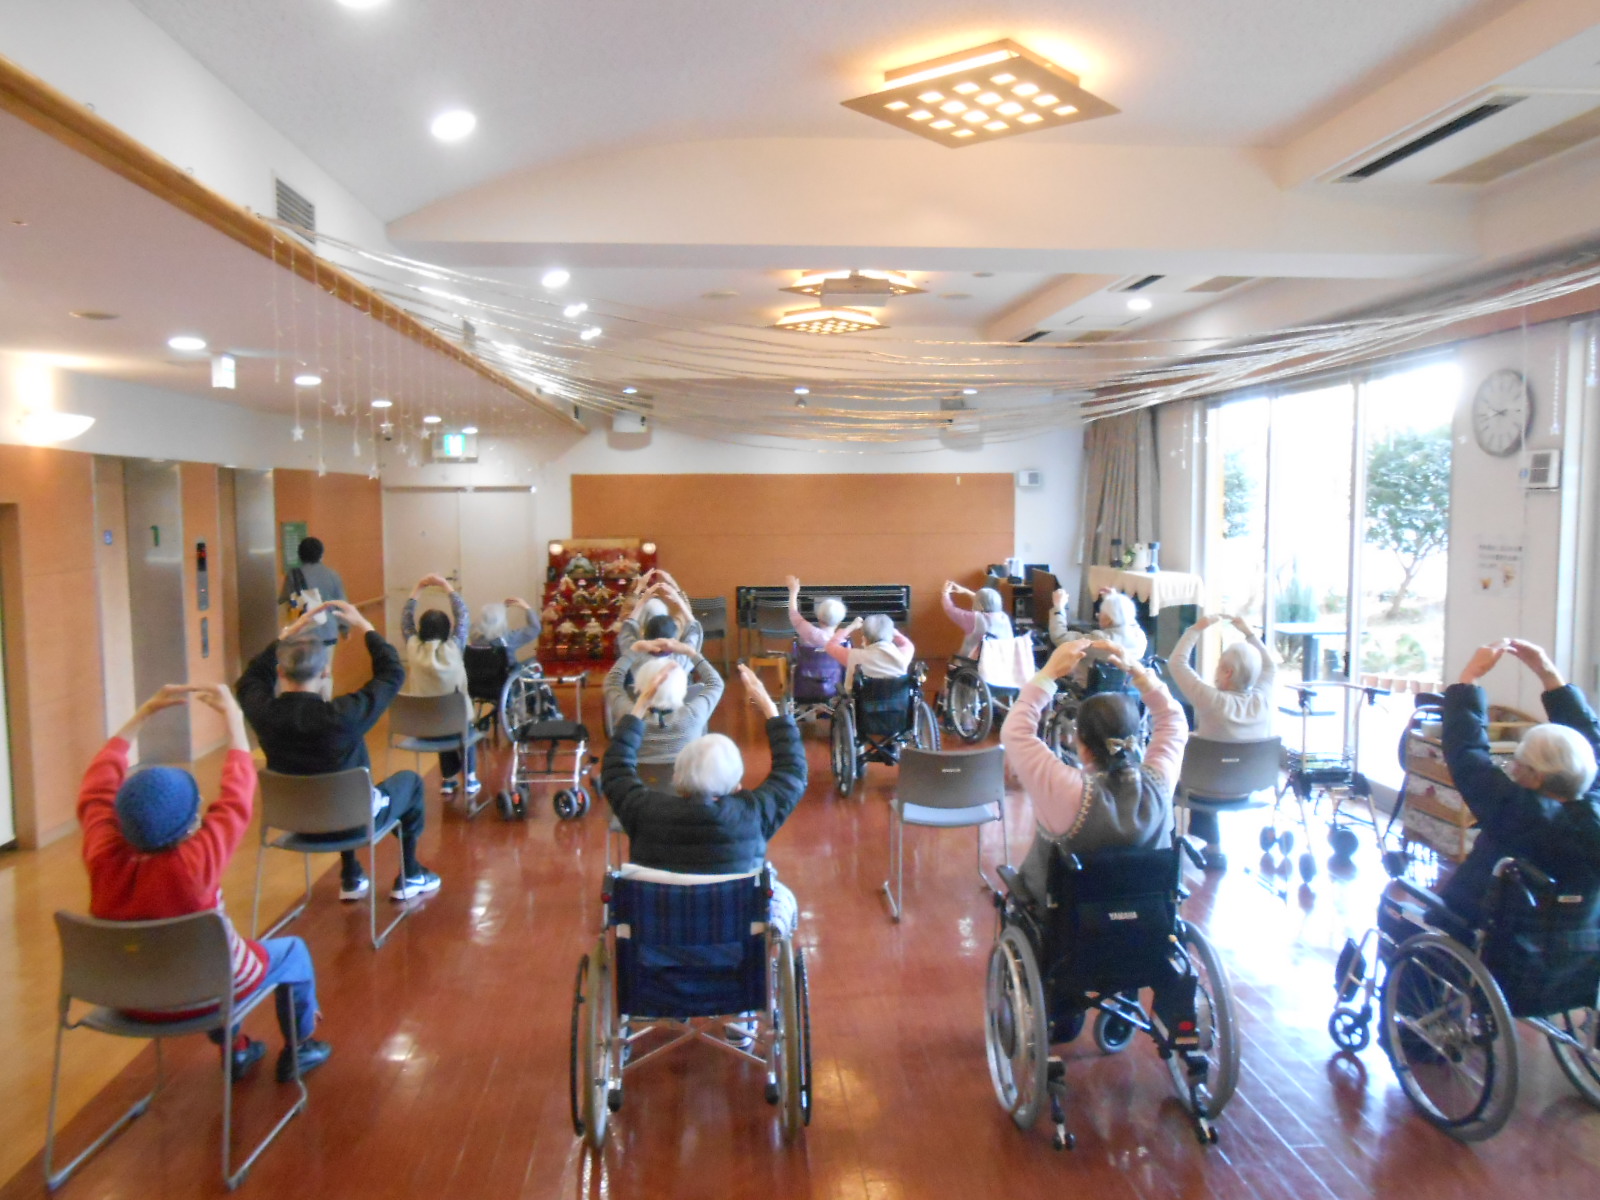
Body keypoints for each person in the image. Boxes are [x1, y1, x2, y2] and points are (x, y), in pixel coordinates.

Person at [78, 683, 330, 1082]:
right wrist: (234, 719)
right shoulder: (193, 864)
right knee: (291, 952)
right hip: (209, 993)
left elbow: (95, 788)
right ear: (191, 824)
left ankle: (238, 1049)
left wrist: (138, 719)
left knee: (207, 957)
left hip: (131, 998)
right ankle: (300, 1048)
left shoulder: (102, 856)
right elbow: (237, 794)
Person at [237, 599, 439, 903]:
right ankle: (410, 873)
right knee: (409, 783)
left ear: (279, 671)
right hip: (351, 822)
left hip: (295, 822)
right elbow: (392, 673)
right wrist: (365, 627)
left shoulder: (265, 713)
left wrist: (287, 634)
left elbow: (249, 680)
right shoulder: (344, 715)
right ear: (325, 672)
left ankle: (351, 874)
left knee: (338, 776)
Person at [601, 663, 807, 936]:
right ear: (736, 786)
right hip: (733, 942)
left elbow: (616, 769)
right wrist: (770, 708)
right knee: (781, 894)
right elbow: (792, 771)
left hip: (659, 938)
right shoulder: (753, 815)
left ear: (677, 780)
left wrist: (640, 706)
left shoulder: (644, 811)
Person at [1000, 638, 1188, 906]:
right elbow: (1174, 721)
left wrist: (1048, 672)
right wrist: (1140, 674)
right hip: (1145, 912)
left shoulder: (1065, 789)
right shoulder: (1159, 782)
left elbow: (1015, 731)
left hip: (1069, 916)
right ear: (1134, 737)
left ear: (1082, 743)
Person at [1439, 639, 1600, 927]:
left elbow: (1466, 752)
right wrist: (1548, 674)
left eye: (1519, 761)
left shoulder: (1513, 812)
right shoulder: (1594, 814)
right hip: (1576, 946)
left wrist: (1469, 678)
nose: (1513, 767)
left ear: (1536, 777)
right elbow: (1592, 744)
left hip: (1486, 934)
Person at [1167, 613, 1278, 870]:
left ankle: (1169, 847)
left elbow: (1177, 662)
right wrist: (1249, 633)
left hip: (1204, 788)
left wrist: (1196, 628)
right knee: (1213, 768)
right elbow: (1270, 666)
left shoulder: (1211, 700)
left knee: (1176, 774)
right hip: (1247, 788)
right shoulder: (1263, 700)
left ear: (1228, 673)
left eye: (1218, 666)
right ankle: (1213, 850)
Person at [400, 574, 475, 795]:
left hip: (424, 728)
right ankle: (470, 778)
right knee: (457, 716)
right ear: (447, 630)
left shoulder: (413, 648)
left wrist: (418, 587)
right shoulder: (454, 647)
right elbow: (463, 616)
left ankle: (448, 780)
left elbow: (405, 620)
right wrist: (445, 586)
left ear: (421, 629)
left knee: (439, 711)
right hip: (457, 726)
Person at [604, 639, 725, 764]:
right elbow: (716, 683)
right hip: (686, 777)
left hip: (634, 777)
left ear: (640, 689)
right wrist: (691, 653)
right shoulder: (693, 715)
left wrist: (634, 650)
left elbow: (612, 683)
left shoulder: (629, 717)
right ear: (682, 688)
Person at [278, 537, 347, 660]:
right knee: (325, 668)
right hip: (328, 631)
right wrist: (344, 628)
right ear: (321, 554)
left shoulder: (294, 575)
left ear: (300, 555)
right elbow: (341, 605)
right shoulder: (332, 575)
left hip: (303, 632)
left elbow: (284, 601)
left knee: (305, 668)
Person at [786, 575, 847, 705]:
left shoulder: (809, 632)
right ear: (839, 621)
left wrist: (793, 592)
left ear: (818, 616)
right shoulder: (842, 642)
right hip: (834, 690)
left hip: (804, 688)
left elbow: (793, 614)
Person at [824, 614, 915, 691]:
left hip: (860, 705)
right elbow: (907, 644)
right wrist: (891, 631)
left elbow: (830, 645)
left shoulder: (853, 656)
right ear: (891, 635)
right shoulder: (903, 655)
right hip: (897, 705)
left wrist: (851, 627)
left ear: (865, 639)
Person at [942, 580, 1014, 658]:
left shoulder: (975, 619)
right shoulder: (1004, 617)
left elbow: (951, 610)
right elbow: (985, 602)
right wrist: (965, 591)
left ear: (979, 605)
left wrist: (945, 594)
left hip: (976, 662)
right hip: (1002, 661)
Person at [471, 596, 542, 656]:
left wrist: (501, 607)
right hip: (508, 668)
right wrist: (526, 607)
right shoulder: (507, 639)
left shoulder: (476, 640)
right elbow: (535, 628)